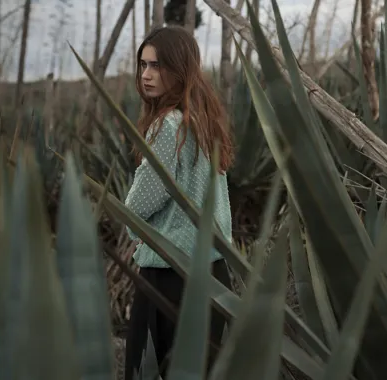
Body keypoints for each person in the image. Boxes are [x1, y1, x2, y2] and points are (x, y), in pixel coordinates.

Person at [123, 26, 234, 380]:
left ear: (181, 68)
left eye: (158, 65)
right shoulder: (204, 122)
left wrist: (135, 230)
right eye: (143, 65)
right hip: (214, 275)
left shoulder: (168, 127)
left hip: (168, 280)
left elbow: (137, 207)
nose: (147, 75)